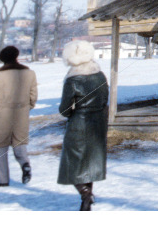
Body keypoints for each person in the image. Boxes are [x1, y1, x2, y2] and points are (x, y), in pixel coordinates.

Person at [58, 40, 109, 211]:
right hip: (98, 123)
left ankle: (85, 194)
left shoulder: (73, 79)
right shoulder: (100, 75)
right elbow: (104, 100)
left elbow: (64, 109)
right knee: (89, 163)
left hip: (78, 124)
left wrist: (73, 111)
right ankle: (85, 204)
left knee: (72, 164)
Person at [0, 46, 37, 187]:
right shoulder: (29, 73)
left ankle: (2, 180)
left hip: (1, 114)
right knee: (19, 143)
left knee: (0, 147)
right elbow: (33, 94)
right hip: (21, 112)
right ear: (16, 56)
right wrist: (28, 106)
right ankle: (25, 163)